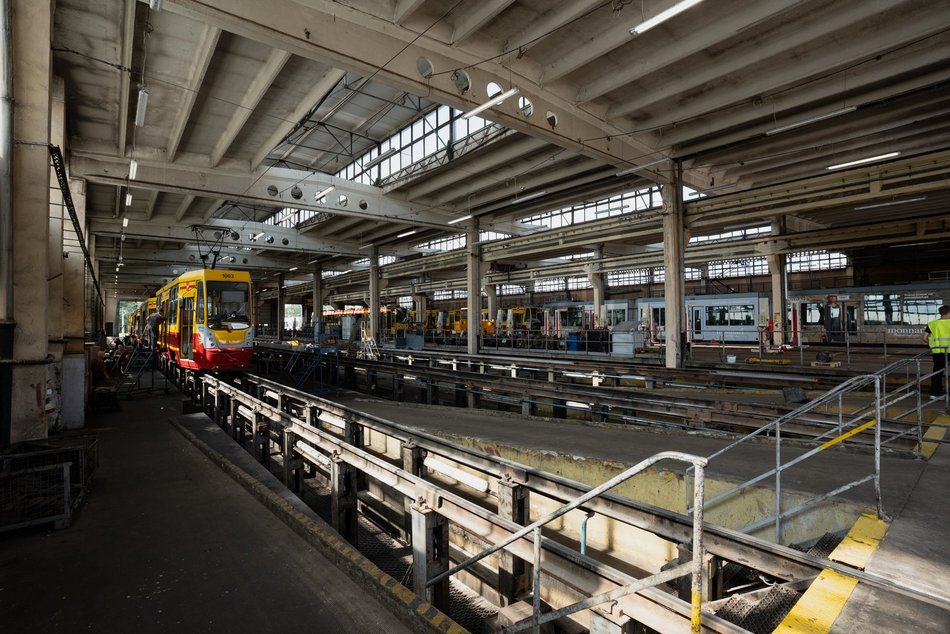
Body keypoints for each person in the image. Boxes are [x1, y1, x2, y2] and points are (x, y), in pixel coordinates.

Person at [924, 305, 950, 400]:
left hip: (938, 352)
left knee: (937, 372)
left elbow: (924, 338)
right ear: (948, 313)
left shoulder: (932, 323)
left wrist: (933, 345)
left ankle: (934, 393)